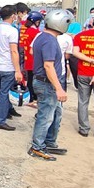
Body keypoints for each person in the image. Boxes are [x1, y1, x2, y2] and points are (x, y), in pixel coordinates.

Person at [28, 9, 73, 161]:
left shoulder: (43, 37)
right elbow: (48, 66)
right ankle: (37, 146)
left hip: (47, 82)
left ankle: (49, 141)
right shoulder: (48, 40)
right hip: (47, 84)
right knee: (45, 116)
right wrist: (59, 88)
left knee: (56, 114)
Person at [0, 4, 22, 131]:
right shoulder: (12, 31)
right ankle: (0, 120)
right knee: (4, 93)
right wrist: (18, 70)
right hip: (7, 66)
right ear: (13, 15)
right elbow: (14, 51)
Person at [21, 11, 44, 107]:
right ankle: (32, 98)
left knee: (30, 79)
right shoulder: (36, 33)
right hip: (34, 60)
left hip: (28, 59)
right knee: (33, 81)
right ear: (37, 22)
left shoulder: (27, 31)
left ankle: (31, 98)